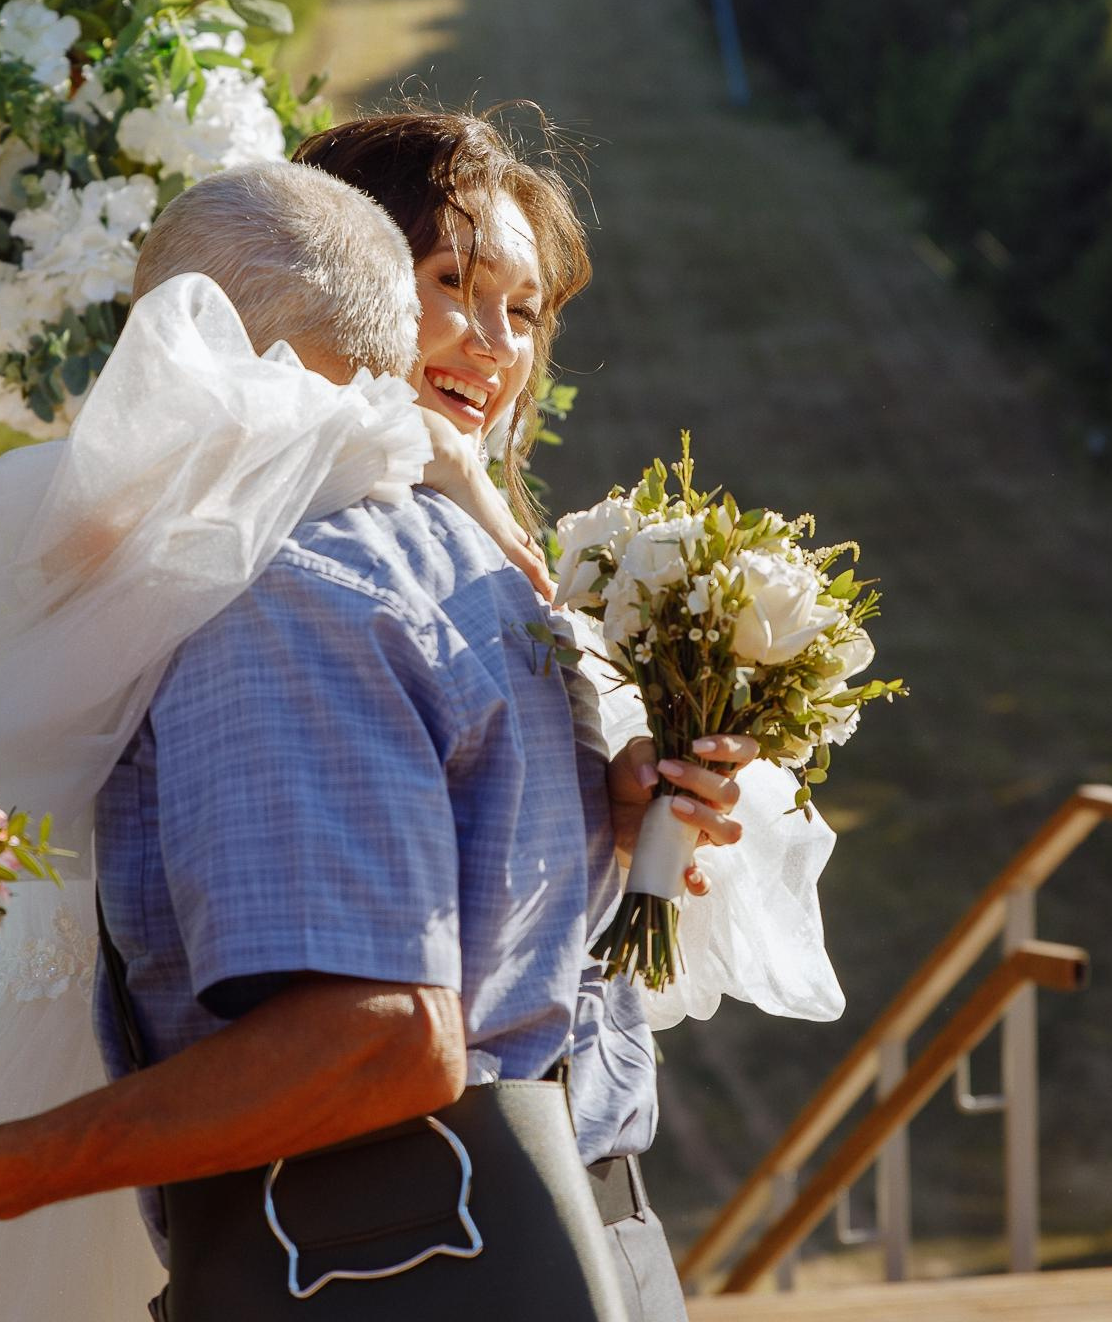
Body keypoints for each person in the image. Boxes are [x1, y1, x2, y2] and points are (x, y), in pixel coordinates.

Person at [0, 163, 653, 1316]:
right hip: (568, 1235)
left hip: (391, 1268)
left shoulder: (284, 594)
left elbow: (382, 1037)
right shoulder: (487, 572)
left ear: (194, 341)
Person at [297, 106, 845, 1321]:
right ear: (343, 278)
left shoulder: (495, 551)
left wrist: (618, 816)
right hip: (430, 1229)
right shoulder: (315, 574)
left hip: (592, 1184)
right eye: (452, 283)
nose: (495, 344)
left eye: (525, 308)